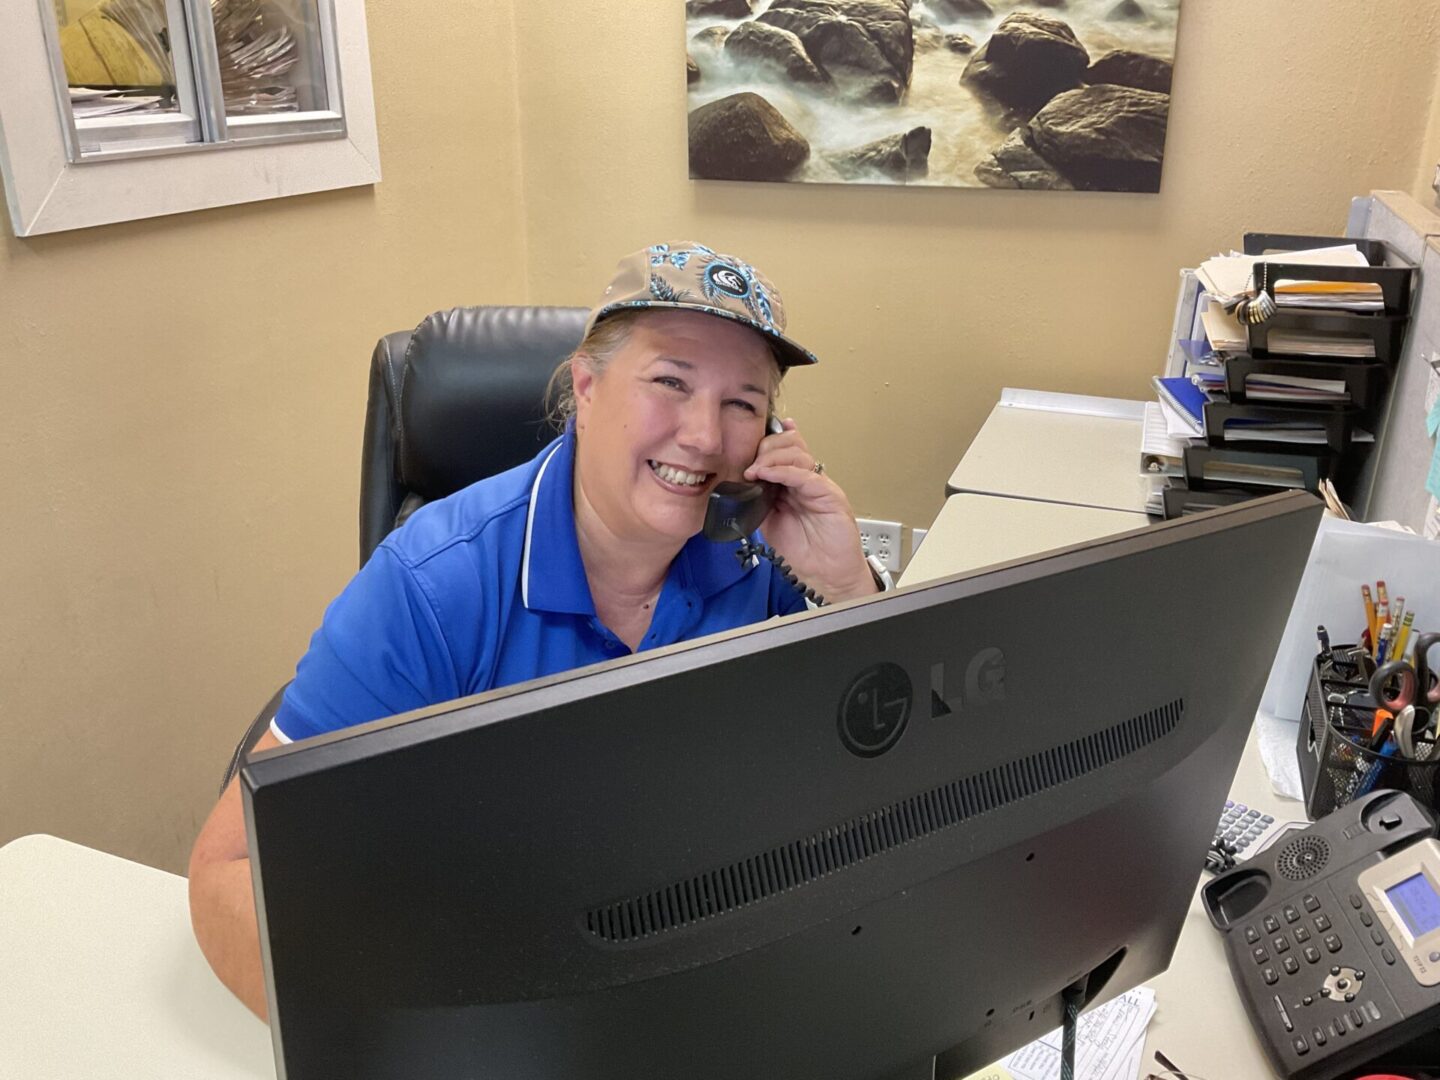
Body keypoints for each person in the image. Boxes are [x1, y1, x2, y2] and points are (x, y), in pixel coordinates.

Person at [187, 241, 887, 1019]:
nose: (703, 435)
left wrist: (845, 586)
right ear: (586, 387)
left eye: (742, 404)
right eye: (670, 382)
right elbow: (232, 867)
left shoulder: (759, 559)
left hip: (700, 960)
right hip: (491, 980)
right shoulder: (436, 581)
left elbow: (887, 778)